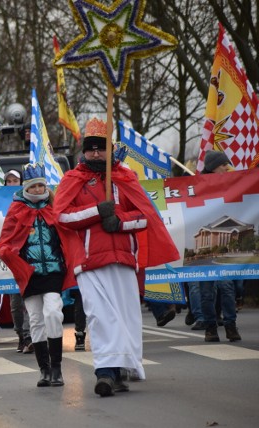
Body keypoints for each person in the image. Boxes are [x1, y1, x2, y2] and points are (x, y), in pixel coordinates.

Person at [53, 117, 179, 397]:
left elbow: (145, 217)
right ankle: (105, 372)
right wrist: (98, 211)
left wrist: (120, 222)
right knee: (99, 316)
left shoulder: (125, 178)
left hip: (123, 260)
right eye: (91, 148)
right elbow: (61, 216)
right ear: (83, 151)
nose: (95, 153)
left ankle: (120, 369)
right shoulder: (72, 180)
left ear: (109, 150)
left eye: (101, 148)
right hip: (89, 262)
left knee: (125, 316)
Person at [0, 163, 68, 387]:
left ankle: (57, 368)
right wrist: (8, 253)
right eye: (34, 186)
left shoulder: (55, 207)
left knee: (53, 312)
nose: (38, 189)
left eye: (41, 185)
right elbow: (5, 241)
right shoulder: (16, 209)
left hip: (54, 271)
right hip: (29, 273)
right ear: (27, 187)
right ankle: (44, 370)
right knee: (36, 319)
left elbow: (69, 234)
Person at [198, 150, 241, 342]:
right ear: (213, 166)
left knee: (227, 287)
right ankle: (210, 327)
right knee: (207, 292)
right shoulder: (197, 185)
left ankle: (231, 325)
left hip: (225, 251)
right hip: (205, 251)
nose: (227, 167)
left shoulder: (231, 183)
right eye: (224, 164)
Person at [3, 169, 34, 354]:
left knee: (29, 299)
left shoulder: (28, 202)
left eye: (16, 180)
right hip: (10, 258)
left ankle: (29, 336)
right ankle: (21, 336)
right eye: (9, 181)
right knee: (15, 304)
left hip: (27, 258)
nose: (12, 183)